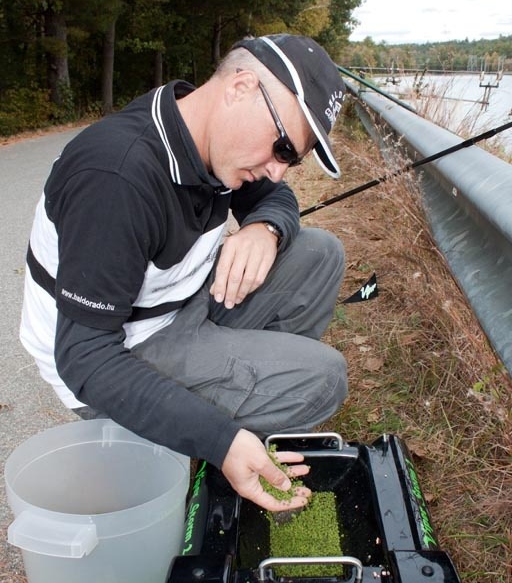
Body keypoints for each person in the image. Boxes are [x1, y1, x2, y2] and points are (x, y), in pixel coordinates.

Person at [20, 33, 348, 511]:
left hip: (176, 304)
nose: (279, 171)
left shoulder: (201, 131)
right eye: (281, 147)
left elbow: (276, 199)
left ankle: (234, 414)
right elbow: (84, 357)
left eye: (291, 159)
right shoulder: (116, 178)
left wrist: (265, 227)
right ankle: (223, 446)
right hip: (119, 352)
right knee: (322, 378)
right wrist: (219, 439)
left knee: (319, 252)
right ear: (241, 88)